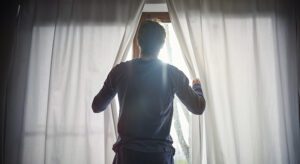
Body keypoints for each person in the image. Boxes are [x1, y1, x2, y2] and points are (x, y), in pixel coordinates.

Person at [92, 20, 206, 164]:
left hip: (128, 156)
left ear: (139, 41)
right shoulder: (173, 74)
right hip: (159, 157)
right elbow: (198, 107)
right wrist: (197, 86)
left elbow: (97, 106)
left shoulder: (120, 71)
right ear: (162, 44)